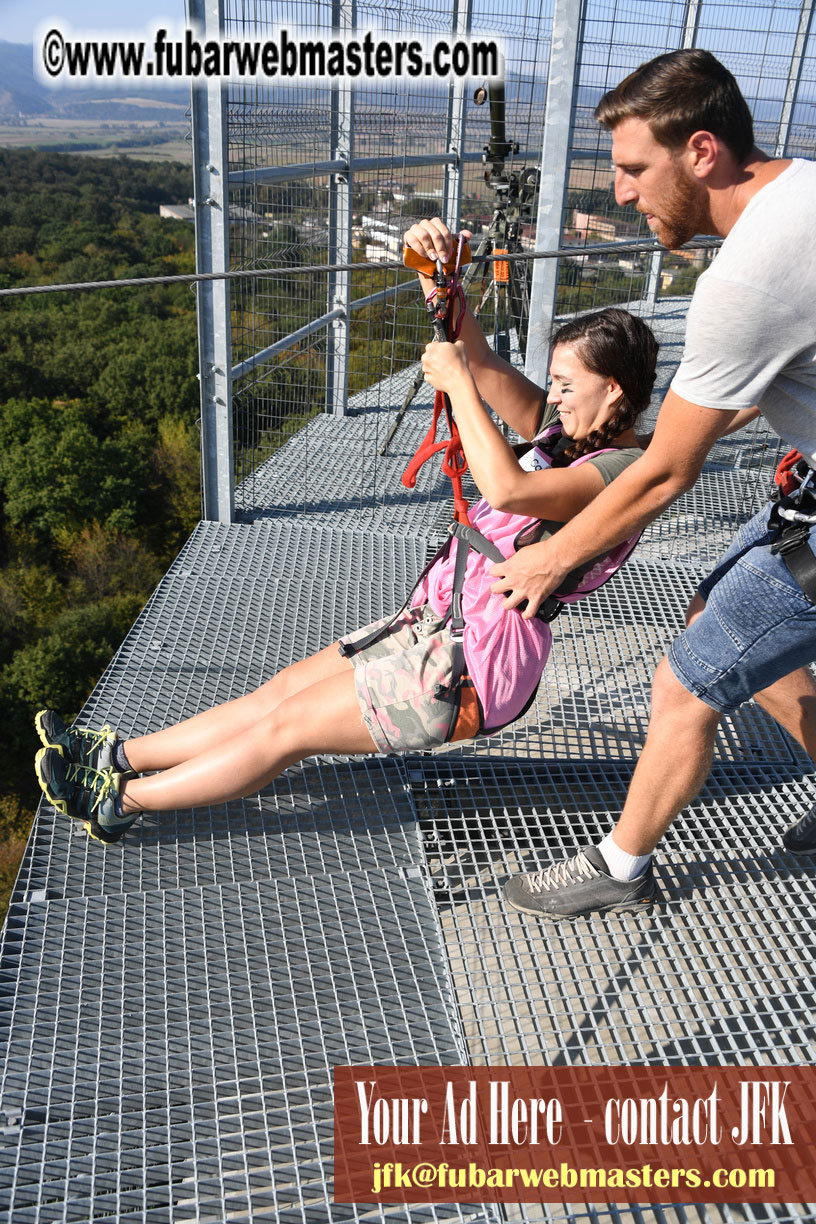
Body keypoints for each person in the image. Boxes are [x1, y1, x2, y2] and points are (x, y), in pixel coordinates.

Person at [33, 293, 659, 847]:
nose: (552, 396)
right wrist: (442, 288)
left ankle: (117, 801)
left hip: (476, 662)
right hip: (440, 622)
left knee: (288, 729)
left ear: (614, 391)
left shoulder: (619, 474)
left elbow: (509, 488)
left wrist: (460, 386)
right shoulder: (569, 435)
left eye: (565, 385)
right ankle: (116, 754)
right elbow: (485, 362)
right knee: (279, 694)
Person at [484, 48, 816, 919]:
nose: (623, 194)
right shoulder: (802, 194)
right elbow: (743, 396)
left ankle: (620, 870)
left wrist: (552, 560)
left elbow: (667, 470)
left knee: (685, 681)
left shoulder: (746, 277)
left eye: (634, 169)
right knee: (720, 617)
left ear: (701, 152)